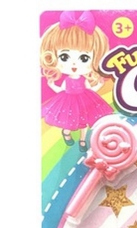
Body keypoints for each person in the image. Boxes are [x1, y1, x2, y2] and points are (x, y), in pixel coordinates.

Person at [40, 10, 113, 151]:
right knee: (68, 122)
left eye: (84, 58)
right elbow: (60, 89)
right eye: (64, 57)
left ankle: (82, 140)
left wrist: (98, 85)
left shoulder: (83, 79)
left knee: (84, 122)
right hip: (68, 101)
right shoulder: (67, 80)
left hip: (84, 100)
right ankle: (66, 133)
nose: (74, 64)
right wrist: (51, 85)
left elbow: (90, 88)